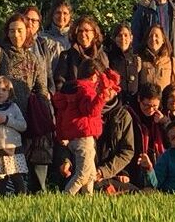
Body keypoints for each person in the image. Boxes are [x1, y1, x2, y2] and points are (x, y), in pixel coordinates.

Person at [0, 12, 53, 190]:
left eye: (20, 30)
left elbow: (41, 88)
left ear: (27, 31)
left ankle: (23, 192)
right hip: (0, 113)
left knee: (19, 160)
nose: (16, 34)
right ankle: (2, 192)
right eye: (12, 30)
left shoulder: (33, 58)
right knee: (2, 160)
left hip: (25, 114)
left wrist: (43, 112)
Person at [52, 63, 115, 195]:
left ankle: (88, 201)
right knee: (83, 175)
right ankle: (65, 198)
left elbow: (61, 116)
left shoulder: (71, 90)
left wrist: (61, 135)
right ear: (94, 76)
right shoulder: (86, 89)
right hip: (84, 137)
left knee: (91, 175)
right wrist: (101, 95)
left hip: (74, 138)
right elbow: (91, 110)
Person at [0, 77, 29, 195]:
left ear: (9, 92)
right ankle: (1, 200)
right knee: (0, 179)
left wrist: (7, 120)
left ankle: (22, 198)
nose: (0, 93)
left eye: (4, 90)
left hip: (13, 149)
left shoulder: (14, 107)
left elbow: (23, 126)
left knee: (16, 177)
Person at [93, 72, 137, 192]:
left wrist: (104, 171)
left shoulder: (123, 116)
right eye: (100, 87)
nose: (105, 92)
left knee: (137, 193)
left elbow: (127, 151)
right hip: (86, 170)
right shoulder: (85, 109)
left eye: (109, 89)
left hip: (111, 173)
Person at [127, 83, 168, 188]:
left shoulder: (163, 114)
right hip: (134, 163)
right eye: (146, 105)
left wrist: (164, 122)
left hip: (157, 161)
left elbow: (171, 139)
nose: (150, 110)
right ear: (139, 99)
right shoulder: (129, 114)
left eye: (154, 106)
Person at [54, 15, 110, 86]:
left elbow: (107, 81)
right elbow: (59, 83)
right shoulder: (66, 56)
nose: (83, 34)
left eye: (86, 30)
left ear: (94, 34)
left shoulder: (102, 56)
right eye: (80, 31)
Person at [104, 23, 142, 101]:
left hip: (133, 103)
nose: (123, 38)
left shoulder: (136, 59)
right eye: (119, 35)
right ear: (114, 38)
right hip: (116, 102)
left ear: (131, 38)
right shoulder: (108, 57)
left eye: (126, 35)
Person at [136, 25, 175, 97]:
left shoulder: (172, 61)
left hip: (164, 102)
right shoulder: (140, 60)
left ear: (163, 40)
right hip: (146, 102)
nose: (153, 38)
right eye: (150, 36)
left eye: (157, 36)